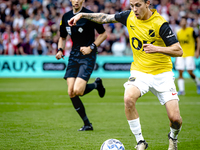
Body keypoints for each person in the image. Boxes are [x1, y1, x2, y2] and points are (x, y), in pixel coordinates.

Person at [68, 0, 183, 149]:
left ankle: (173, 138)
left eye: (138, 5)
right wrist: (82, 15)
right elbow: (104, 17)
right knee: (128, 98)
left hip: (162, 74)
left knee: (175, 119)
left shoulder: (160, 23)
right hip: (140, 71)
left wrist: (157, 48)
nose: (134, 9)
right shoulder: (128, 16)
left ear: (147, 3)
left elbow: (178, 50)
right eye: (132, 5)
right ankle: (140, 142)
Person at [55, 0, 107, 131]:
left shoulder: (90, 15)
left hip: (88, 56)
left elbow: (104, 34)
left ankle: (96, 85)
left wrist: (91, 47)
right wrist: (60, 50)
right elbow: (62, 37)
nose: (76, 1)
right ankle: (87, 124)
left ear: (83, 0)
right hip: (73, 56)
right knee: (71, 92)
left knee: (78, 90)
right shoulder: (66, 16)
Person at [175, 17, 200, 95]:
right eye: (182, 21)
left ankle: (198, 84)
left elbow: (198, 40)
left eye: (184, 21)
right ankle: (181, 90)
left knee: (190, 71)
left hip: (189, 54)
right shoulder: (178, 32)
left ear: (186, 22)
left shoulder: (191, 30)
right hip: (181, 54)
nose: (183, 23)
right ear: (180, 23)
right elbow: (177, 44)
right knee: (180, 72)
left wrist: (197, 51)